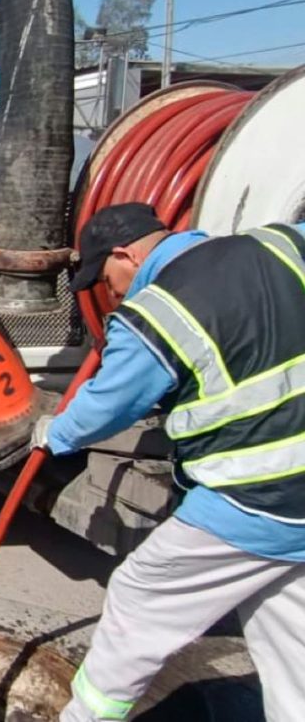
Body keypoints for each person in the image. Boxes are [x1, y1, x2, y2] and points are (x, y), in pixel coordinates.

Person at [29, 203, 305, 722]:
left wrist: (53, 433)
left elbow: (108, 405)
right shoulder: (281, 245)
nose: (110, 293)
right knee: (287, 626)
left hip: (257, 496)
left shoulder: (157, 311)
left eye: (105, 280)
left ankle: (86, 717)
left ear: (125, 255)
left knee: (140, 596)